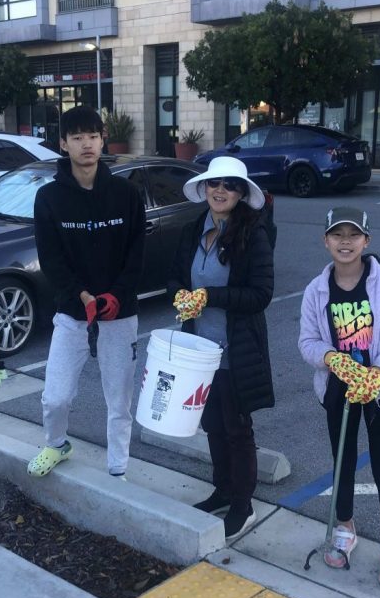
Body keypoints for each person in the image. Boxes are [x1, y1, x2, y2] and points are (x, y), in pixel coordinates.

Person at [298, 206, 380, 587]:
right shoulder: (316, 290)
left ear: (366, 241)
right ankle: (346, 527)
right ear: (326, 241)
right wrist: (331, 358)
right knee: (343, 461)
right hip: (339, 389)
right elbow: (308, 341)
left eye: (354, 235)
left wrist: (379, 371)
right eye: (337, 234)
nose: (345, 241)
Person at [28, 105, 146, 479]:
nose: (86, 144)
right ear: (63, 144)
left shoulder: (126, 194)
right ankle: (56, 444)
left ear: (102, 139)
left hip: (120, 312)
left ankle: (118, 467)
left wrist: (115, 295)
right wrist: (81, 295)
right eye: (76, 137)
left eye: (92, 136)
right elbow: (51, 259)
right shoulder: (49, 198)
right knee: (56, 396)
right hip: (71, 311)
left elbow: (136, 254)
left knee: (119, 399)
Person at [168, 156, 275, 545]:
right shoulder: (194, 228)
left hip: (235, 349)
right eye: (214, 184)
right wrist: (180, 294)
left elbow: (261, 294)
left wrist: (210, 296)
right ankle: (223, 490)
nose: (220, 191)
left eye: (229, 186)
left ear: (241, 194)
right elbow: (177, 278)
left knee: (237, 427)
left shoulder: (254, 233)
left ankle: (242, 504)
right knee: (212, 424)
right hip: (198, 350)